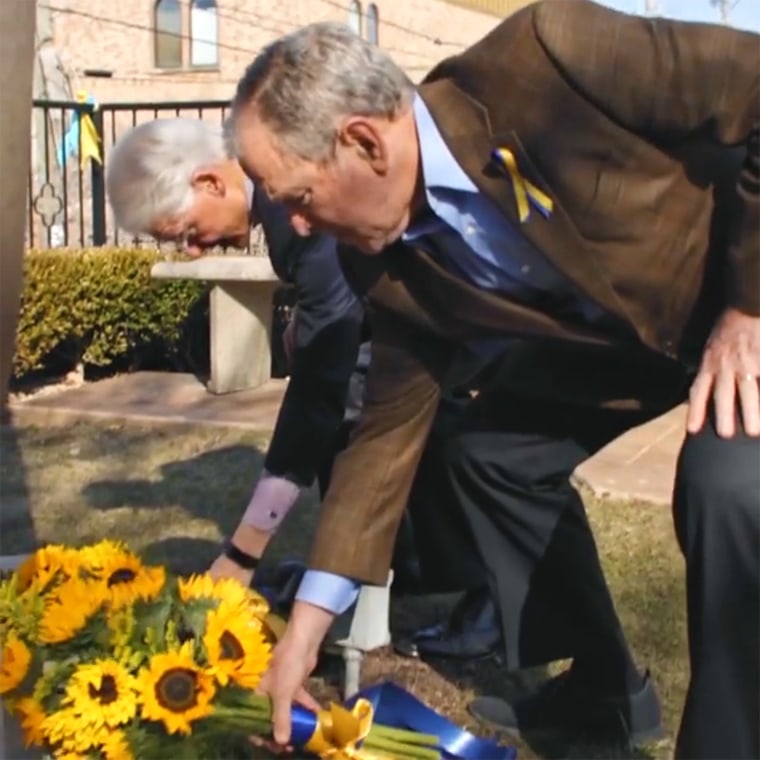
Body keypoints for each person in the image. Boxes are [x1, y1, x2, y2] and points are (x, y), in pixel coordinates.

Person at [229, 2, 760, 757]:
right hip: (632, 344)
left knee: (731, 485)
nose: (297, 227)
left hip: (744, 293)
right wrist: (306, 631)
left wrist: (747, 308)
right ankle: (606, 690)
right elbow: (383, 438)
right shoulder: (378, 261)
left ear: (363, 142)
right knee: (492, 452)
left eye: (298, 198)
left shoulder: (551, 58)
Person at [105, 118, 501, 659]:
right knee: (354, 402)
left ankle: (492, 593)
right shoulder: (278, 199)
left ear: (210, 183)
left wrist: (243, 553)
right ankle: (384, 565)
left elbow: (319, 390)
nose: (192, 251)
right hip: (421, 312)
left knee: (373, 405)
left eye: (184, 232)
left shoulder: (291, 208)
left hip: (481, 299)